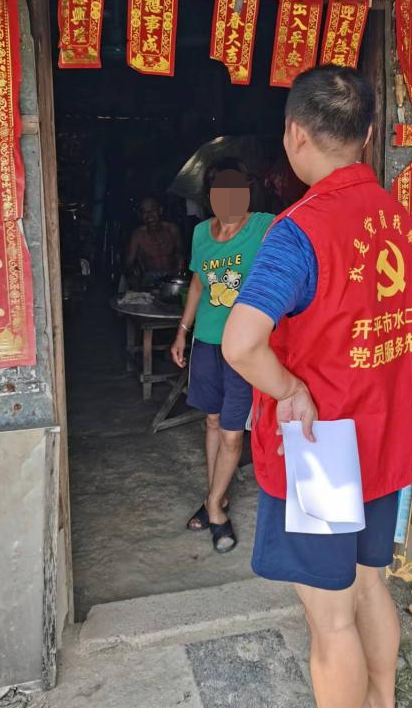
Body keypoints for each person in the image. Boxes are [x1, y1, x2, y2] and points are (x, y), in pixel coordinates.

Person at [222, 67, 412, 708]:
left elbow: (240, 344)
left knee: (331, 620)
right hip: (382, 441)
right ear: (368, 135)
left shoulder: (298, 231)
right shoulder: (399, 218)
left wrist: (289, 390)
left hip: (324, 453)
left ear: (295, 134)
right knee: (370, 585)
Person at [170, 158, 274, 554]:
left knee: (232, 433)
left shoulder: (263, 226)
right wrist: (182, 332)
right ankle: (219, 494)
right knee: (212, 421)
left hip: (243, 347)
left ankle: (214, 508)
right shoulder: (201, 233)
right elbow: (198, 284)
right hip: (207, 343)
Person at [124, 196, 183, 289]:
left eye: (152, 210)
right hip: (149, 278)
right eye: (145, 212)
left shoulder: (172, 229)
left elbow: (180, 255)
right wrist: (133, 280)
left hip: (171, 276)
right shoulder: (137, 235)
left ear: (160, 210)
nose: (149, 215)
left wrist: (179, 276)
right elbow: (128, 264)